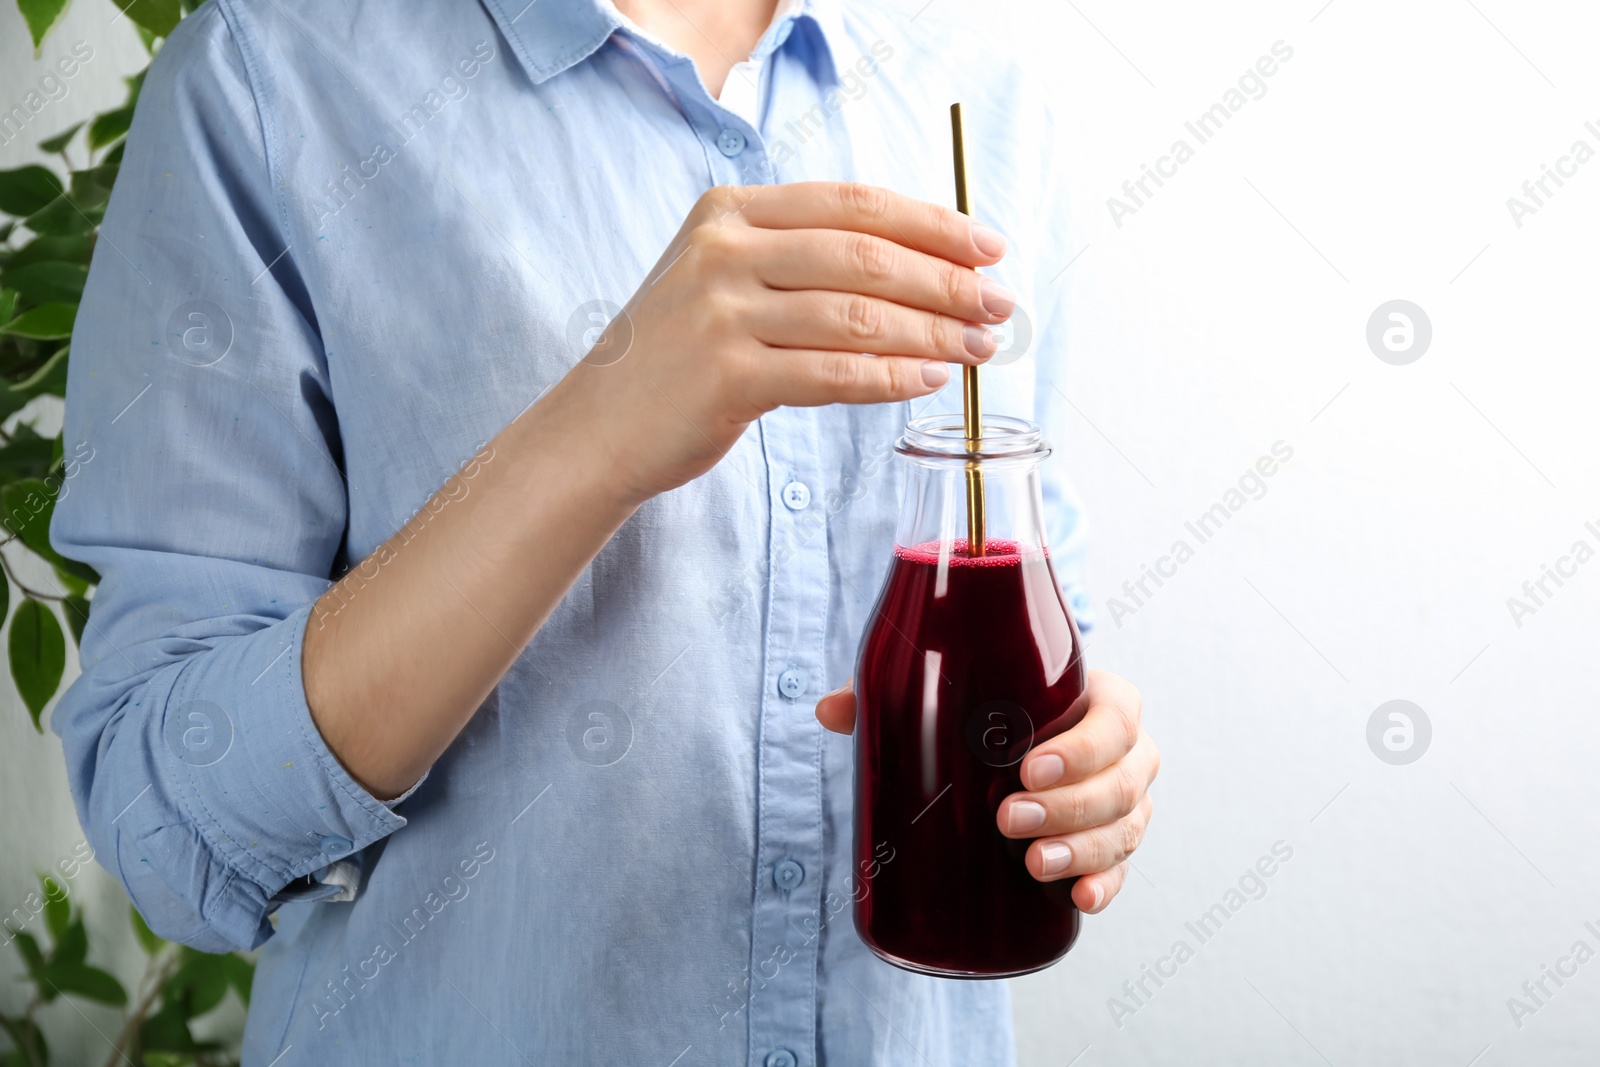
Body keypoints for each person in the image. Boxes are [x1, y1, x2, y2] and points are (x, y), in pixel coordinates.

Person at [51, 0, 1159, 1062]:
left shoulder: (979, 92)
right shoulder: (265, 82)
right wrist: (597, 430)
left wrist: (1082, 754)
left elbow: (1035, 605)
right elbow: (168, 830)